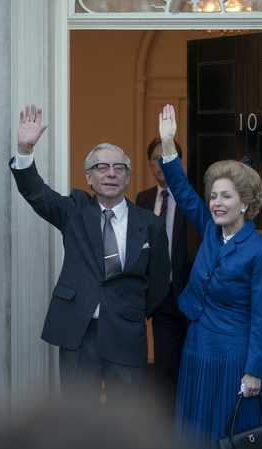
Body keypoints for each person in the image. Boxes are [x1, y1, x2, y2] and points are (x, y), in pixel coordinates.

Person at [9, 104, 171, 404]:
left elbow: (159, 284)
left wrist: (129, 309)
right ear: (89, 177)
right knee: (75, 418)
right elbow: (36, 193)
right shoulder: (74, 211)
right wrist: (24, 150)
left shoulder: (150, 225)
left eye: (118, 167)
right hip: (78, 333)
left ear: (127, 177)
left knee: (126, 421)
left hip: (125, 332)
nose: (111, 173)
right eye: (102, 167)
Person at [157, 104, 262, 449]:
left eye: (226, 196)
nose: (216, 202)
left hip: (234, 357)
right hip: (197, 347)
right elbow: (181, 189)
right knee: (196, 430)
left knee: (230, 433)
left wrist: (254, 369)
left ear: (245, 203)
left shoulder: (261, 250)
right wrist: (168, 143)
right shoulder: (211, 229)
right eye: (213, 196)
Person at [134, 137, 193, 420]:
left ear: (178, 162)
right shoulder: (143, 199)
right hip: (161, 297)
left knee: (193, 367)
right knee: (165, 369)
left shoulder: (193, 199)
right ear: (149, 163)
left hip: (193, 296)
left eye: (166, 157)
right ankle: (166, 431)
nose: (160, 163)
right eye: (155, 158)